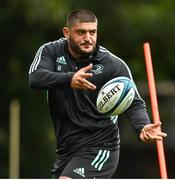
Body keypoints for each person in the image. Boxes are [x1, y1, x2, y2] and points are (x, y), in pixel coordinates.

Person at [28, 9, 167, 179]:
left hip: (100, 147)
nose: (88, 38)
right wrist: (69, 79)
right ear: (66, 32)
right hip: (66, 150)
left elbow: (134, 102)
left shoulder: (113, 65)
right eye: (81, 32)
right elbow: (35, 78)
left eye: (92, 32)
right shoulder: (51, 51)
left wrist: (142, 126)